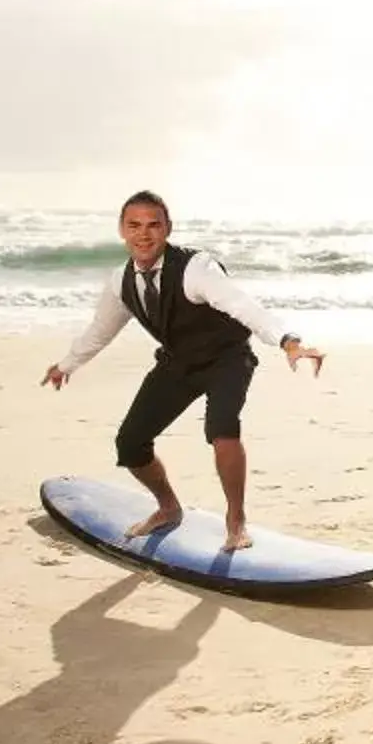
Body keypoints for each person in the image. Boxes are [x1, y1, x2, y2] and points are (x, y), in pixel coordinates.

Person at [41, 191, 323, 550]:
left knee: (222, 430)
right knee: (130, 443)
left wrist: (289, 341)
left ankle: (236, 521)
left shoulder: (196, 268)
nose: (144, 234)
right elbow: (101, 330)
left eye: (153, 225)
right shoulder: (121, 281)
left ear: (167, 229)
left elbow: (242, 305)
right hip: (178, 362)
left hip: (227, 359)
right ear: (121, 230)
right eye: (134, 226)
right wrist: (67, 364)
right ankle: (168, 507)